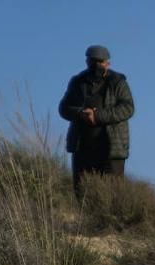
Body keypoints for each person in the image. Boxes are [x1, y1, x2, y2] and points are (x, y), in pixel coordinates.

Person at [58, 44, 135, 198]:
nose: (97, 65)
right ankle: (84, 222)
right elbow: (64, 108)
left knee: (113, 196)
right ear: (87, 61)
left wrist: (97, 115)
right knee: (83, 194)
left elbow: (127, 108)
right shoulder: (78, 82)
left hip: (112, 149)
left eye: (101, 62)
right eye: (93, 61)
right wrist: (82, 114)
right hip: (82, 148)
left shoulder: (118, 82)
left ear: (108, 63)